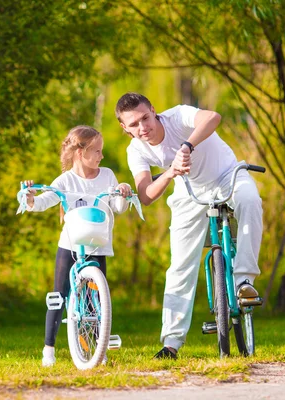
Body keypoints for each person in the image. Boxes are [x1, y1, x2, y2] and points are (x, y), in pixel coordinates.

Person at [115, 92, 263, 359]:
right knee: (180, 264)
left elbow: (213, 117)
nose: (143, 127)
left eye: (145, 118)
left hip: (227, 175)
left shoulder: (177, 117)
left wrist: (187, 146)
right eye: (134, 124)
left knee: (250, 200)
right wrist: (170, 171)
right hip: (188, 190)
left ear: (154, 110)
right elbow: (146, 195)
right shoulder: (135, 150)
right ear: (124, 128)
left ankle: (244, 282)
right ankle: (171, 342)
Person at [22, 125, 133, 367]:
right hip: (70, 245)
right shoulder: (65, 180)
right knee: (59, 296)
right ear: (81, 153)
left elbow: (118, 207)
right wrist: (30, 196)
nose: (101, 156)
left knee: (96, 302)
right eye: (97, 151)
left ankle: (98, 351)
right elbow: (41, 203)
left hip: (97, 245)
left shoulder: (107, 176)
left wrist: (122, 194)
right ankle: (48, 350)